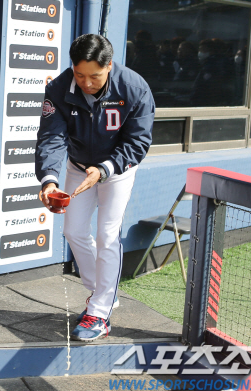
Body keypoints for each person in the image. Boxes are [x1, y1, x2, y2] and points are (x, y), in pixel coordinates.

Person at [35, 34, 154, 341]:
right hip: (78, 166)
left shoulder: (134, 87)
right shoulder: (58, 88)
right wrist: (49, 179)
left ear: (109, 66)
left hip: (117, 169)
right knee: (72, 230)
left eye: (95, 76)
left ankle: (99, 312)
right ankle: (102, 292)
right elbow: (51, 138)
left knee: (107, 234)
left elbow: (138, 141)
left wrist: (104, 169)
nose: (86, 83)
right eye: (79, 75)